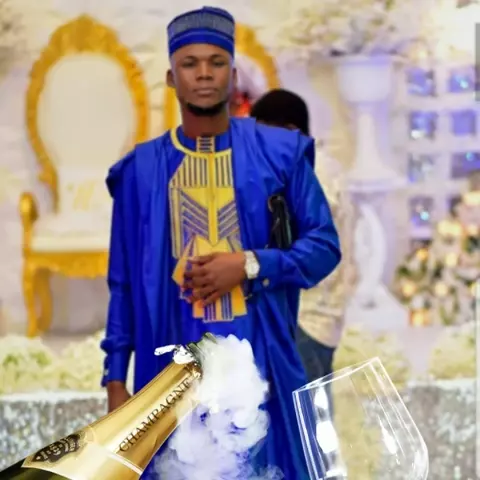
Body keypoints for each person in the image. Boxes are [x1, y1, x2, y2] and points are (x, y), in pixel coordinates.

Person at [101, 7, 341, 479]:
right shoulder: (140, 171)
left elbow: (324, 245)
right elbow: (122, 283)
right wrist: (114, 379)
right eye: (190, 64)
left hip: (260, 364)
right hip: (170, 367)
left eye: (216, 62)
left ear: (233, 75)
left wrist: (251, 264)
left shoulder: (279, 154)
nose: (204, 74)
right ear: (171, 78)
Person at [250, 89, 342, 382]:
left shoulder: (310, 174)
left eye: (263, 135)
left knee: (301, 410)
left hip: (304, 318)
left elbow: (315, 249)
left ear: (291, 131)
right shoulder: (325, 169)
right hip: (316, 320)